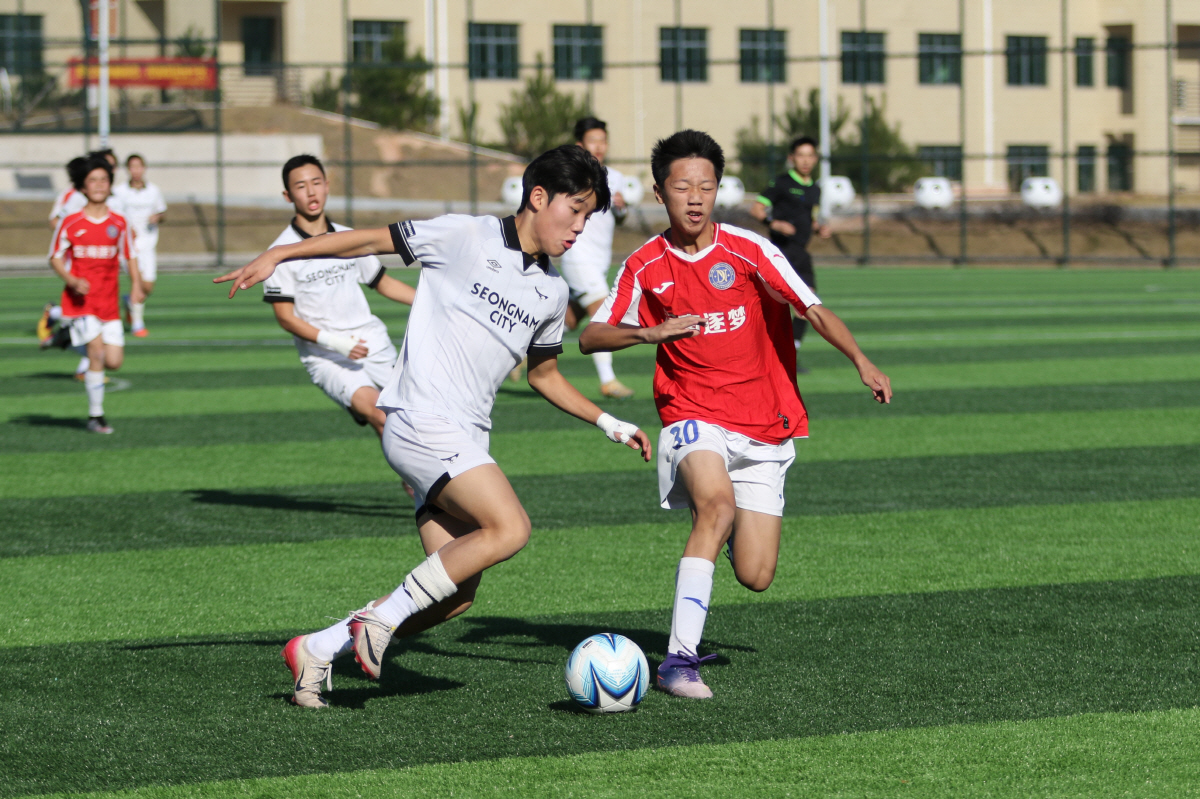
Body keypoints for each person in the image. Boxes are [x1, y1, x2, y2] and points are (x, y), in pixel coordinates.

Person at [215, 144, 651, 708]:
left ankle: (318, 648)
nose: (581, 228)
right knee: (511, 528)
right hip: (421, 421)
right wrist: (282, 256)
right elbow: (368, 240)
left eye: (590, 217)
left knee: (453, 599)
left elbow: (545, 376)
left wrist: (609, 421)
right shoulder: (463, 235)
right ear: (538, 197)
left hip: (462, 443)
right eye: (576, 209)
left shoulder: (552, 292)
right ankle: (379, 619)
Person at [580, 130, 891, 699]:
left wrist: (861, 361)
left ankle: (724, 532)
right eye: (682, 187)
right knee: (715, 506)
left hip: (761, 419)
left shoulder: (749, 251)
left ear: (718, 189)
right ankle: (678, 660)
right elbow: (590, 335)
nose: (695, 198)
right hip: (691, 411)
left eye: (706, 186)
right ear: (660, 192)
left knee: (756, 574)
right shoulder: (645, 265)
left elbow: (811, 308)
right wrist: (650, 331)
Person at [262, 154, 416, 437]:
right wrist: (336, 342)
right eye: (300, 186)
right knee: (382, 417)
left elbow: (382, 283)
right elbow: (285, 318)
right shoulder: (280, 252)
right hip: (328, 356)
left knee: (415, 421)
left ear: (327, 185)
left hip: (373, 343)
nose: (311, 191)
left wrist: (429, 302)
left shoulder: (349, 237)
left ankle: (415, 481)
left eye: (316, 182)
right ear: (287, 195)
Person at [49, 156, 144, 434]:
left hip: (108, 302)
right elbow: (54, 257)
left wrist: (136, 285)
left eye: (104, 179)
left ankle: (63, 339)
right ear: (82, 187)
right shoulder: (71, 222)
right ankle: (96, 415)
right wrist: (71, 279)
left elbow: (130, 255)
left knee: (114, 361)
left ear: (111, 184)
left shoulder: (119, 222)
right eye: (93, 180)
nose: (99, 185)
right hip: (80, 302)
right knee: (97, 353)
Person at [558, 117, 635, 399]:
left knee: (565, 319)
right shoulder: (572, 176)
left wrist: (621, 207)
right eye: (594, 141)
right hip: (577, 256)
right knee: (604, 314)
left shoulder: (615, 177)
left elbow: (621, 217)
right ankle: (608, 380)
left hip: (599, 260)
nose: (600, 146)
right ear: (581, 144)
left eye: (603, 141)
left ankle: (525, 348)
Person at [749, 136, 831, 372]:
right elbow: (756, 209)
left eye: (810, 155)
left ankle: (790, 354)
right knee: (780, 305)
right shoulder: (781, 183)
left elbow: (811, 218)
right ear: (791, 158)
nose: (805, 160)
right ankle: (768, 354)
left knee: (808, 303)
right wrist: (774, 223)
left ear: (815, 159)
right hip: (782, 252)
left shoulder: (815, 189)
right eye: (800, 155)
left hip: (801, 253)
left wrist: (819, 228)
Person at [111, 154, 167, 337]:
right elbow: (114, 216)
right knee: (139, 283)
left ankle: (130, 302)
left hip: (148, 245)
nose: (136, 170)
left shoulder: (153, 191)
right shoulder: (120, 192)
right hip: (129, 246)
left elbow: (162, 212)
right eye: (132, 167)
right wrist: (126, 228)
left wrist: (157, 217)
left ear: (144, 168)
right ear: (128, 169)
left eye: (139, 166)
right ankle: (137, 324)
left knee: (148, 287)